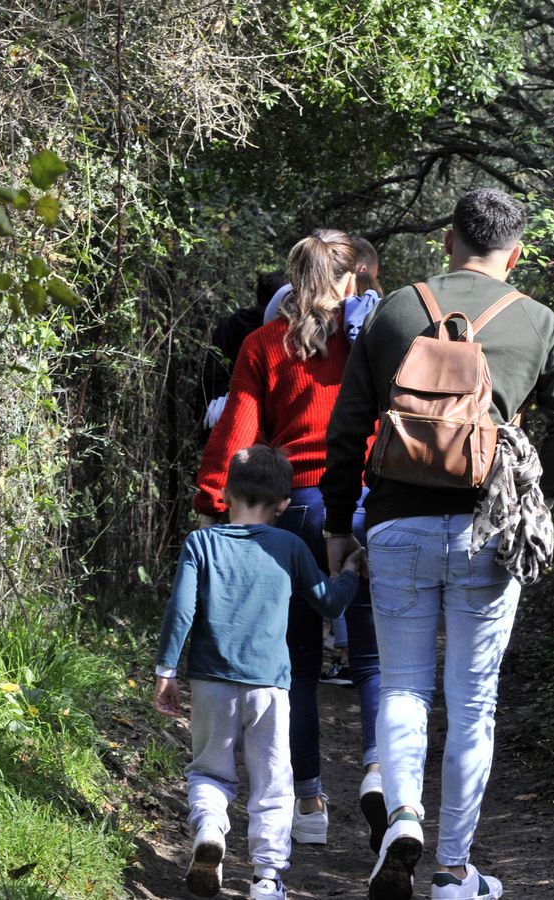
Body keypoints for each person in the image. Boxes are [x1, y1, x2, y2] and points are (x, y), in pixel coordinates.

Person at [320, 188, 554, 900]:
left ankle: (402, 814)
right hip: (487, 532)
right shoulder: (538, 322)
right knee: (473, 703)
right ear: (517, 251)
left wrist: (339, 525)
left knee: (406, 685)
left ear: (448, 242)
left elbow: (348, 429)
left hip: (397, 526)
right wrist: (535, 498)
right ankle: (451, 869)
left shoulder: (395, 311)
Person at [192, 228, 388, 851]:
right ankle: (381, 771)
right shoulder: (375, 342)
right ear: (350, 279)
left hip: (296, 509)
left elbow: (238, 436)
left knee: (299, 665)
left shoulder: (263, 343)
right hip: (363, 503)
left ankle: (308, 802)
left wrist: (210, 503)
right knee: (372, 658)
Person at [154, 445, 366, 900]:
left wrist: (166, 670)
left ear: (226, 494)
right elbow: (328, 602)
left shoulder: (201, 543)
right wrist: (349, 572)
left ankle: (210, 829)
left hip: (211, 680)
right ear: (285, 505)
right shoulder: (289, 545)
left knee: (210, 771)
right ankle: (267, 877)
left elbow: (180, 611)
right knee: (272, 782)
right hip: (271, 684)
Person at [201, 271, 286, 432]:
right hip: (266, 415)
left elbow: (211, 372)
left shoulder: (229, 324)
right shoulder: (281, 330)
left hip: (225, 411)